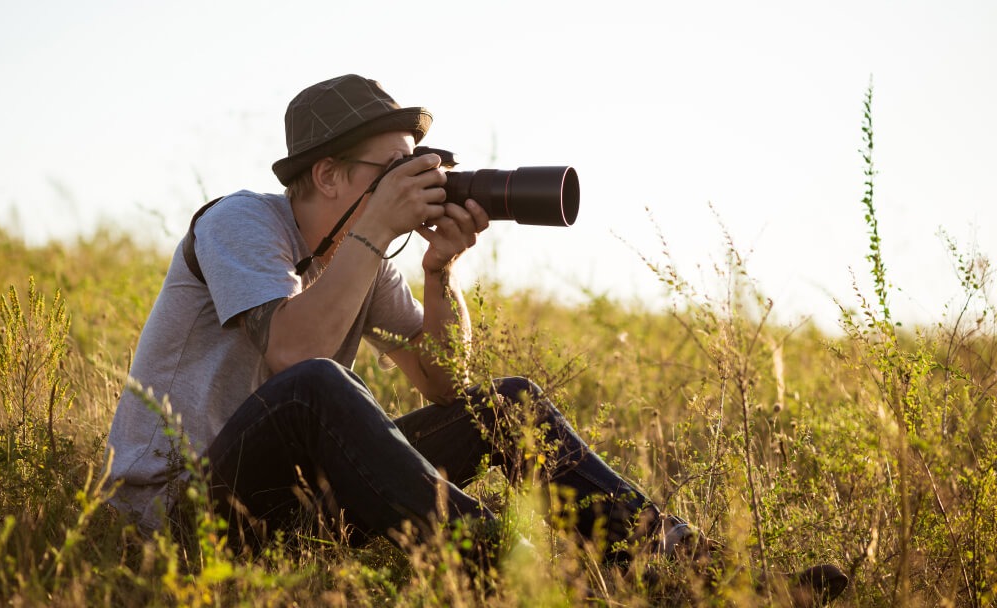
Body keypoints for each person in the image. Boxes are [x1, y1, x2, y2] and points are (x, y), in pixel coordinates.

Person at [103, 74, 846, 603]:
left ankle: (694, 573)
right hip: (177, 520)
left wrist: (438, 273)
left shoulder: (356, 256)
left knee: (508, 403)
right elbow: (297, 354)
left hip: (291, 520)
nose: (416, 180)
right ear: (326, 175)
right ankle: (520, 577)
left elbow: (445, 386)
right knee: (318, 386)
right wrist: (373, 230)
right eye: (393, 168)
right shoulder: (242, 222)